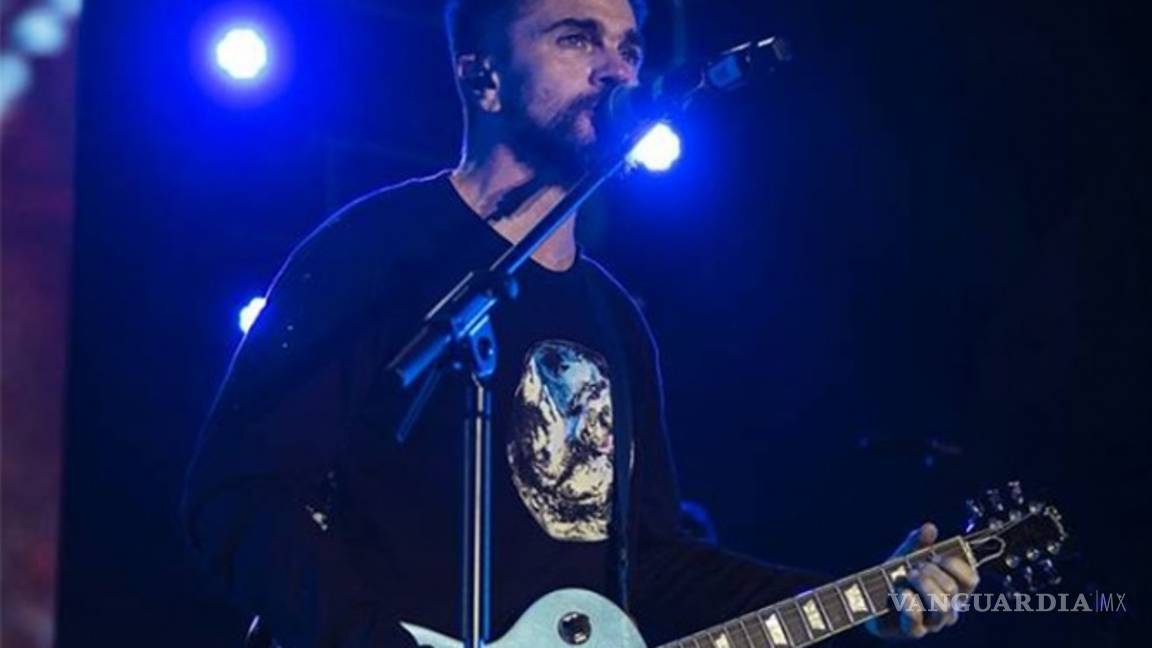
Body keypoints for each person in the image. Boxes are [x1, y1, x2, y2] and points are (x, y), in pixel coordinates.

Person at [182, 1, 978, 646]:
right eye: (576, 38)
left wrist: (857, 599)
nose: (618, 70)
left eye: (629, 48)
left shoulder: (615, 321)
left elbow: (652, 565)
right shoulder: (377, 250)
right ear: (482, 77)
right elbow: (242, 494)